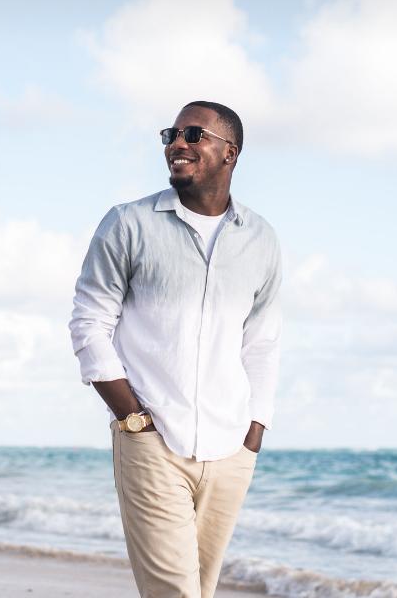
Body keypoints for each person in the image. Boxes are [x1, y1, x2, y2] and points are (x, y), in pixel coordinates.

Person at [69, 101, 283, 598]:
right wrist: (133, 420)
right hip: (152, 441)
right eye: (172, 133)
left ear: (230, 152)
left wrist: (255, 431)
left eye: (194, 134)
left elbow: (263, 341)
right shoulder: (127, 224)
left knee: (200, 590)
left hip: (230, 449)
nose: (177, 143)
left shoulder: (261, 240)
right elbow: (89, 321)